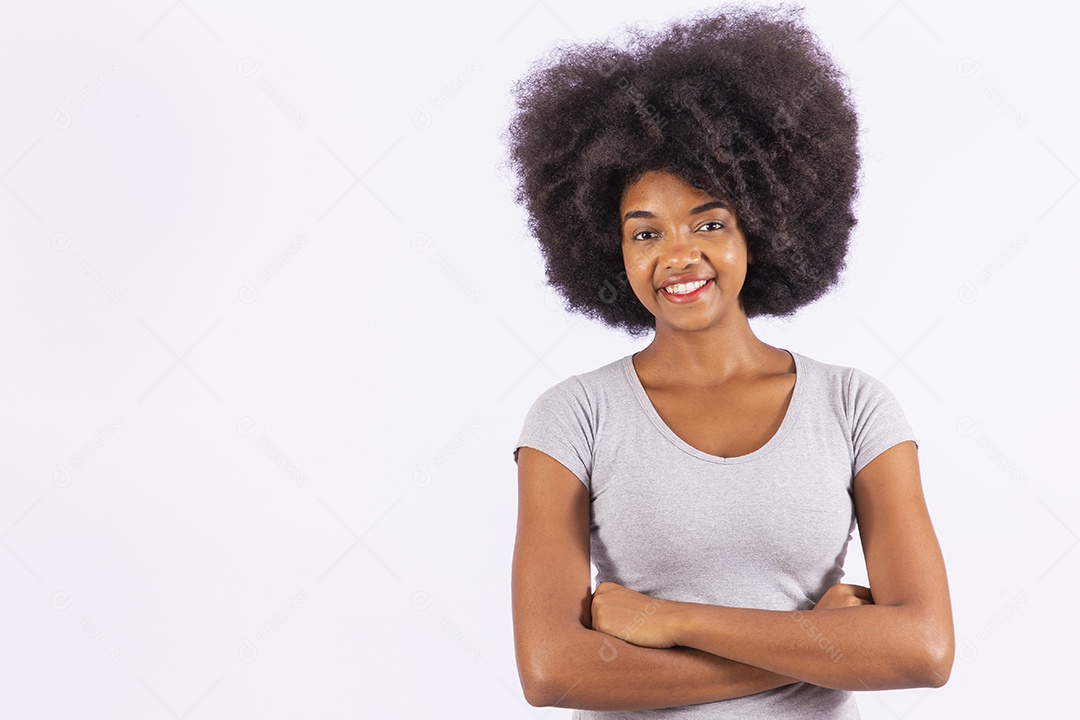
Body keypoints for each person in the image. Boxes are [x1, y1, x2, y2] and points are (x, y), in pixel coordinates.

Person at [505, 6, 954, 719]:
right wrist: (824, 645)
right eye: (645, 231)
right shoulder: (573, 417)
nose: (678, 255)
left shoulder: (854, 406)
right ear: (610, 250)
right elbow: (553, 671)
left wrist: (671, 622)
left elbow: (924, 650)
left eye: (708, 223)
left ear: (763, 228)